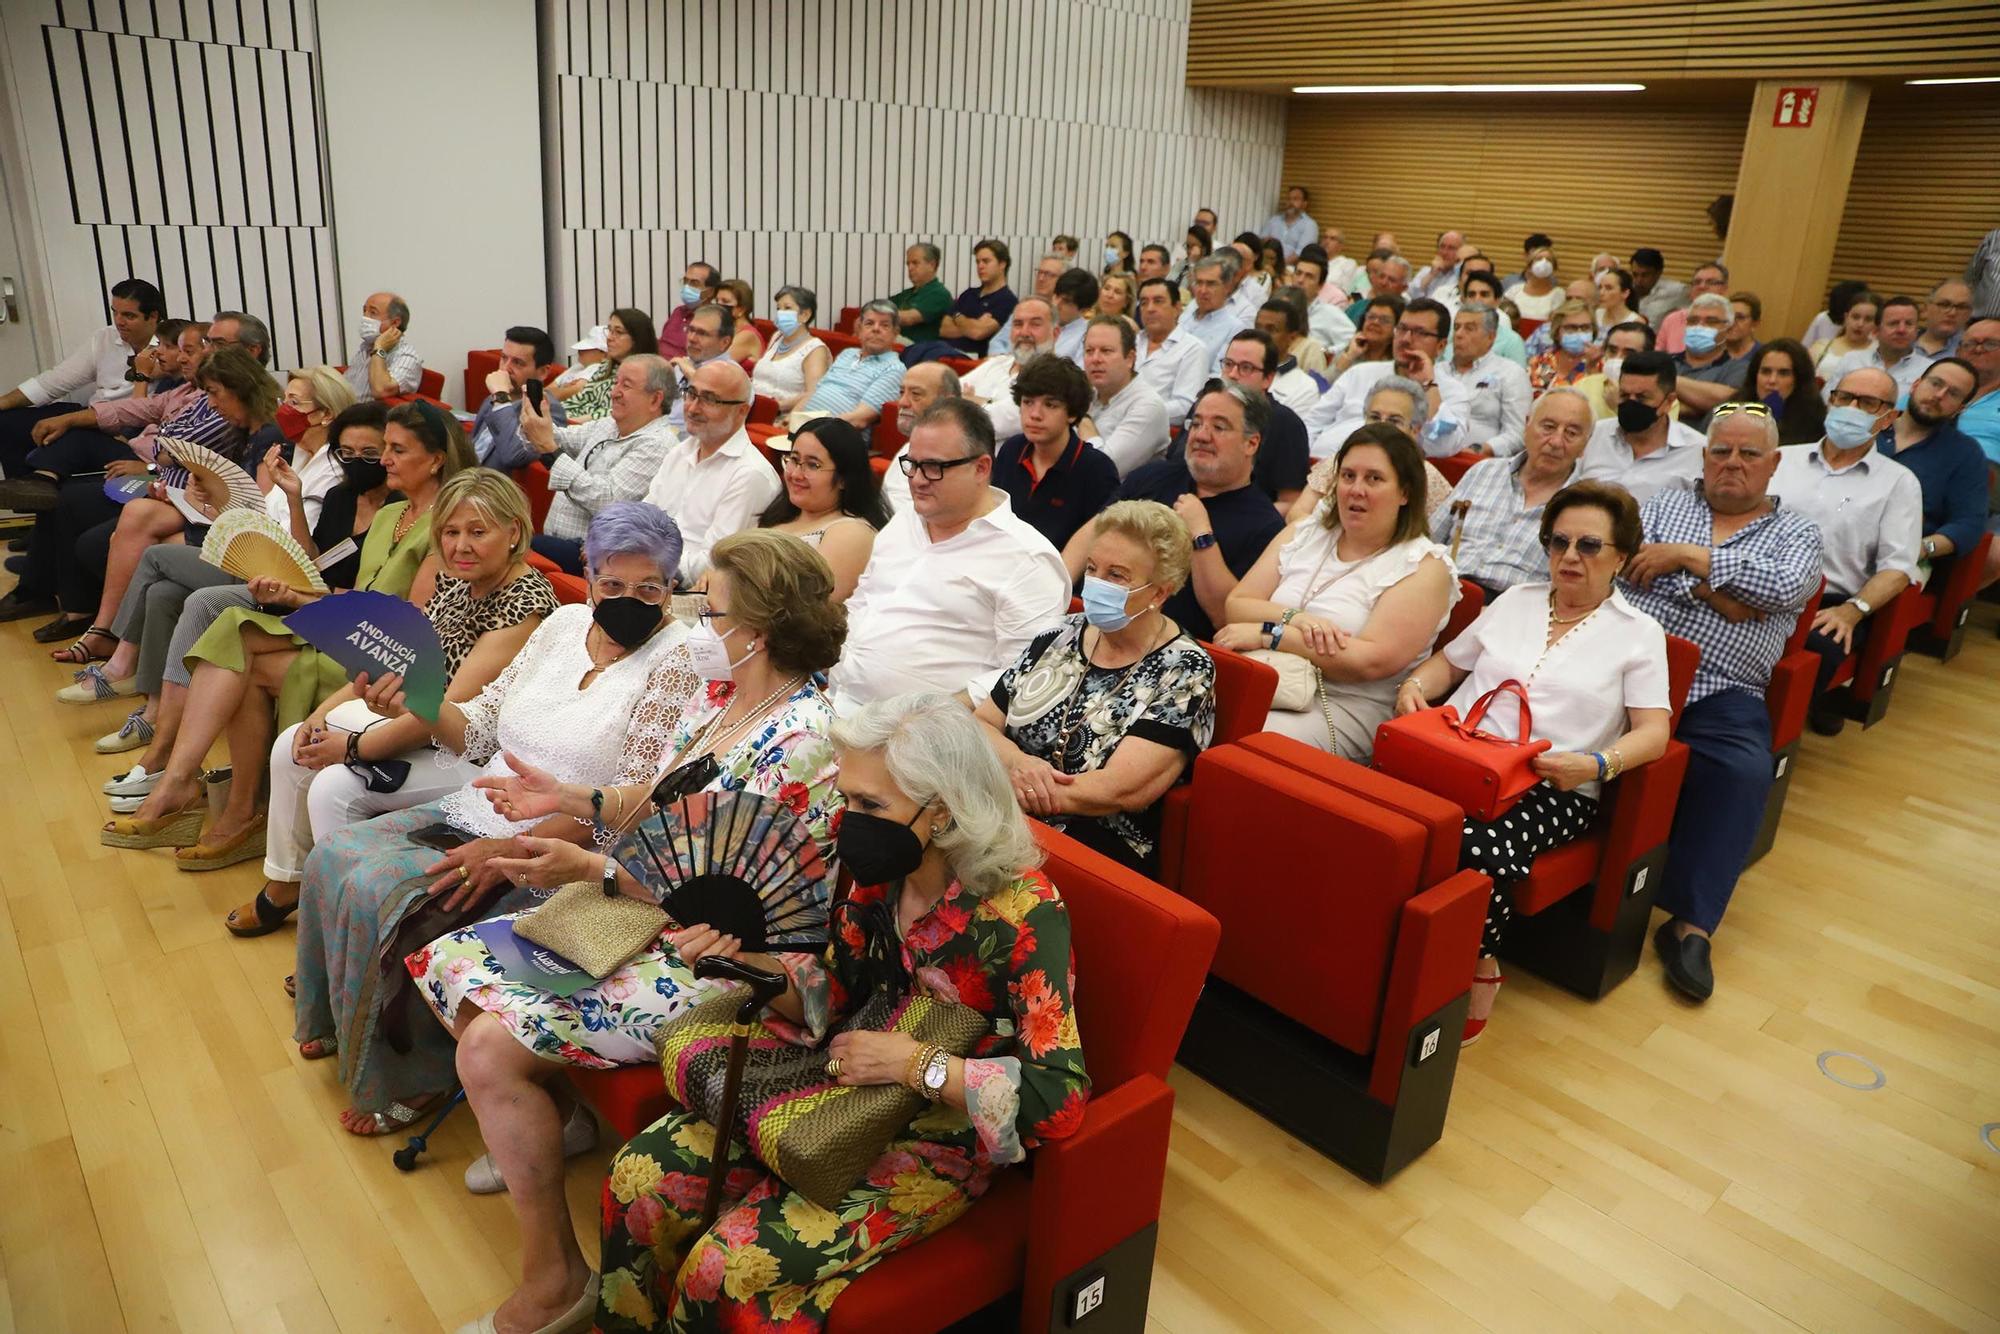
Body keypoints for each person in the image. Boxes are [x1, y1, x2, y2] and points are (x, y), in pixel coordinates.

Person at [411, 530, 847, 1334]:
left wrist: (590, 871)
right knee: (452, 964)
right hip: (658, 913)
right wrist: (568, 799)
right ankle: (555, 1116)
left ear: (755, 627)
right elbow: (663, 798)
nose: (692, 620)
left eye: (706, 606)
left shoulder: (802, 738)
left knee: (485, 1044)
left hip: (731, 959)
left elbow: (726, 893)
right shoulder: (730, 701)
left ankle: (554, 1280)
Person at [591, 691, 1086, 1332]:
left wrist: (920, 1066)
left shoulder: (1023, 913)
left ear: (940, 813)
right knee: (636, 1178)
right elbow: (834, 992)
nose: (848, 822)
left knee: (728, 1266)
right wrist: (752, 965)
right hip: (831, 1081)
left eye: (870, 805)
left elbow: (1061, 1096)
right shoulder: (874, 874)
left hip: (936, 1130)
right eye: (847, 798)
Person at [298, 501, 701, 1138]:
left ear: (672, 587)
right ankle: (339, 1018)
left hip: (560, 848)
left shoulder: (678, 661)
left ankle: (419, 1077)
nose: (629, 598)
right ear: (589, 577)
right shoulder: (565, 625)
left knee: (397, 895)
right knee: (336, 855)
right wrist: (422, 702)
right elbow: (479, 730)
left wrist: (511, 848)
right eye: (612, 583)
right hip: (482, 804)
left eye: (649, 586)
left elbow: (632, 803)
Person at [100, 403, 472, 866]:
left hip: (383, 656)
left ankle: (208, 796)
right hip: (352, 632)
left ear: (436, 459)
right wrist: (296, 597)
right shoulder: (390, 513)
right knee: (233, 636)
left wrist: (303, 603)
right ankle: (208, 795)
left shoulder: (447, 525)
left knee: (236, 642)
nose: (385, 460)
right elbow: (352, 593)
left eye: (397, 450)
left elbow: (406, 630)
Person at [1396, 480, 1671, 1042]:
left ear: (1620, 556)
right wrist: (1413, 689)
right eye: (1559, 542)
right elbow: (1447, 665)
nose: (1570, 557)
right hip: (1461, 758)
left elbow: (1655, 734)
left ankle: (1479, 964)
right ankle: (1386, 947)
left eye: (1589, 546)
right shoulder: (1516, 601)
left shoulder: (1639, 635)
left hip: (1554, 784)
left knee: (1475, 843)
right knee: (1381, 813)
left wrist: (1594, 765)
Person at [231, 469, 557, 937]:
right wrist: (320, 714)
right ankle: (287, 883)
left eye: (478, 532)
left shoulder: (525, 603)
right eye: (450, 532)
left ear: (514, 533)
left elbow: (447, 713)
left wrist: (353, 748)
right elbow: (396, 658)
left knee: (333, 788)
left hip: (474, 753)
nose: (461, 545)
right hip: (417, 724)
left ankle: (345, 933)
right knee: (292, 744)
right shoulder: (456, 580)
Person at [1621, 405, 1820, 1002]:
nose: (1732, 463)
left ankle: (1691, 926)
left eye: (1748, 454)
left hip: (1723, 688)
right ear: (1703, 457)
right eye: (1720, 451)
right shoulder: (1664, 502)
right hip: (1633, 675)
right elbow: (1628, 567)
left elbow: (1786, 587)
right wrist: (1725, 595)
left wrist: (1682, 560)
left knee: (1743, 769)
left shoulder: (1798, 531)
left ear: (1773, 465)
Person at [88, 402, 392, 765]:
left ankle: (157, 733)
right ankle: (157, 718)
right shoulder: (341, 495)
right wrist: (293, 498)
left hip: (323, 606)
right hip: (294, 582)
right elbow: (310, 558)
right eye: (346, 452)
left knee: (188, 589)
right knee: (164, 592)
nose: (355, 460)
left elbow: (369, 591)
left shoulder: (396, 509)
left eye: (368, 453)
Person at [977, 500, 1214, 874]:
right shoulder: (1062, 632)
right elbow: (982, 723)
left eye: (1117, 575)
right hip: (1003, 806)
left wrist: (1017, 792)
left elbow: (1120, 789)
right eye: (1092, 569)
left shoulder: (1185, 669)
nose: (1097, 584)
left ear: (1158, 594)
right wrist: (1018, 765)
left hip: (1096, 840)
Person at [13, 343, 278, 650]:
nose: (212, 402)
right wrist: (190, 493)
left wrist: (193, 495)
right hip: (190, 499)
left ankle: (113, 639)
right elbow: (163, 438)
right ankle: (98, 626)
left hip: (229, 529)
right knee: (90, 503)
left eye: (215, 393)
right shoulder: (233, 422)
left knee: (130, 542)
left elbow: (258, 514)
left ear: (240, 386)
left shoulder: (264, 435)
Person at [1215, 423, 1457, 758]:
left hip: (1339, 704)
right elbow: (1237, 604)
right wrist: (1297, 619)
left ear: (1405, 492)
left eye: (1374, 478)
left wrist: (1268, 634)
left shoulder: (1424, 566)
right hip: (1264, 673)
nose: (1356, 489)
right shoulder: (1305, 531)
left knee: (1244, 731)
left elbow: (1366, 661)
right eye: (1348, 476)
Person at [827, 398, 1068, 709]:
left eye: (933, 467)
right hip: (835, 700)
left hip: (921, 737)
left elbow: (1024, 674)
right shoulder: (904, 521)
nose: (917, 479)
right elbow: (863, 601)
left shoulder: (1027, 559)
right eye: (912, 464)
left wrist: (938, 716)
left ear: (981, 468)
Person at [1771, 369, 1923, 736]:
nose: (1852, 408)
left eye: (1867, 403)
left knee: (1817, 646)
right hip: (1761, 581)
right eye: (1844, 397)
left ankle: (1772, 739)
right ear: (1831, 401)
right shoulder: (1780, 459)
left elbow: (1898, 568)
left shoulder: (1899, 482)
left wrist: (1853, 611)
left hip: (1830, 600)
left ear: (1889, 418)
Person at [1081, 382, 1284, 642]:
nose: (1201, 435)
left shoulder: (1265, 525)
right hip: (1094, 625)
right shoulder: (1151, 476)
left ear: (1251, 443)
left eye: (1218, 427)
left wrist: (1201, 535)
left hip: (1177, 651)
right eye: (1196, 424)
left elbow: (1226, 617)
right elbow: (1093, 533)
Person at [516, 353, 679, 574]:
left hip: (596, 556)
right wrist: (535, 422)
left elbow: (608, 500)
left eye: (626, 386)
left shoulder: (657, 444)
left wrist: (550, 450)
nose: (614, 392)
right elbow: (556, 439)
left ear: (655, 399)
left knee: (516, 546)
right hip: (559, 543)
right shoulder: (608, 425)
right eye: (616, 382)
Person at [1432, 389, 1593, 598]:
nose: (1555, 442)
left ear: (1585, 445)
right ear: (1527, 425)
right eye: (1548, 427)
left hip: (1512, 610)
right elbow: (1430, 537)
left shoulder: (1584, 506)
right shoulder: (1484, 471)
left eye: (1571, 433)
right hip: (1441, 590)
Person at [0, 277, 163, 474]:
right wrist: (3, 402)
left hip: (123, 427)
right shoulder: (105, 337)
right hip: (91, 411)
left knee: (69, 432)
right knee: (8, 422)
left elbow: (145, 409)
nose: (119, 322)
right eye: (115, 313)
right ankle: (23, 494)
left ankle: (41, 487)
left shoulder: (170, 347)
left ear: (153, 316)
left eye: (129, 316)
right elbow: (55, 381)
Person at [642, 359, 780, 584]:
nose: (693, 408)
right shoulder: (680, 451)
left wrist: (642, 564)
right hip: (648, 575)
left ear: (741, 411)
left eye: (709, 400)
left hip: (693, 593)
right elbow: (645, 515)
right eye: (691, 394)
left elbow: (714, 561)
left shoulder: (750, 474)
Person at [1871, 357, 1986, 597]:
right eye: (1935, 383)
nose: (1939, 395)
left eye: (1953, 393)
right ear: (1915, 385)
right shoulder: (1869, 426)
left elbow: (1968, 525)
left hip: (1904, 551)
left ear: (1961, 408)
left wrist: (1922, 548)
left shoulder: (1965, 453)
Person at [1304, 298, 1471, 459]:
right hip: (1319, 464)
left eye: (1420, 333)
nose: (1406, 339)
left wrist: (1428, 384)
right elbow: (1312, 423)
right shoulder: (1360, 373)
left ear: (1441, 346)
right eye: (1402, 328)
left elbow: (1443, 447)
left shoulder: (1452, 391)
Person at [1289, 377, 1455, 530]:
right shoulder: (1339, 462)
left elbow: (1439, 536)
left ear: (1415, 430)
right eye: (1375, 417)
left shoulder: (1428, 477)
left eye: (1394, 421)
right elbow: (1296, 515)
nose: (1381, 426)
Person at [991, 356, 1118, 551]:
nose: (1035, 414)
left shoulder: (1097, 469)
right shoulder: (1011, 450)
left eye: (1050, 405)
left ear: (1072, 413)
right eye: (1028, 402)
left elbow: (1100, 545)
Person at [760, 418, 890, 601]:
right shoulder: (780, 514)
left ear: (844, 478)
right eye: (794, 459)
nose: (796, 474)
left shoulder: (852, 532)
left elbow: (808, 608)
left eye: (813, 465)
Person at [1576, 351, 1706, 501]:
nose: (1631, 403)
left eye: (1642, 397)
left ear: (1669, 402)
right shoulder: (1592, 435)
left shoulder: (1698, 450)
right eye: (1624, 396)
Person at [1213, 330, 1311, 507]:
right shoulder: (1205, 407)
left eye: (1246, 368)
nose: (1233, 374)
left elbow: (1290, 503)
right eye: (1228, 364)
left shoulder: (1285, 424)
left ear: (1268, 378)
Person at [786, 301, 905, 431]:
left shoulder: (894, 369)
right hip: (805, 428)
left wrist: (808, 429)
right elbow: (815, 393)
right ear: (859, 330)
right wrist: (792, 418)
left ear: (895, 333)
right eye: (869, 323)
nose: (876, 329)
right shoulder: (847, 354)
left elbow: (859, 419)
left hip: (837, 435)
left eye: (885, 325)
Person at [1078, 315, 1169, 477]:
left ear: (1130, 359)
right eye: (1089, 351)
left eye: (1106, 351)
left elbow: (1103, 471)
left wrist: (1082, 420)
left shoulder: (1148, 406)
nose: (1095, 359)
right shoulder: (1086, 393)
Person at [468, 326, 567, 471]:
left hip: (496, 490)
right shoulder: (494, 398)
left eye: (517, 363)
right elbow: (473, 447)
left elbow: (513, 455)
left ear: (543, 372)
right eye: (504, 358)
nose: (505, 368)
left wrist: (501, 397)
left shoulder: (548, 411)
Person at [962, 296, 1056, 441]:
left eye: (1035, 324)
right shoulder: (998, 363)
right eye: (1018, 324)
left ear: (1055, 334)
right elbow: (946, 391)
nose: (1024, 332)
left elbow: (997, 424)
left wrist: (969, 399)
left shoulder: (1054, 378)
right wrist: (985, 403)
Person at [1444, 303, 1532, 455]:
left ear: (1491, 337)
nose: (1458, 334)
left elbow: (1518, 434)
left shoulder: (1510, 373)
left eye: (1469, 328)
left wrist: (1479, 449)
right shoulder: (1441, 371)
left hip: (1480, 463)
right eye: (1457, 327)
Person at [877, 360, 961, 514]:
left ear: (947, 402)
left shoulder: (958, 460)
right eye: (902, 392)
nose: (902, 402)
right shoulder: (910, 445)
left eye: (916, 394)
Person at [558, 308, 658, 423]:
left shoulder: (647, 374)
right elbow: (580, 399)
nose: (610, 338)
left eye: (619, 332)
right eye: (610, 330)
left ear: (637, 338)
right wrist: (556, 415)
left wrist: (570, 422)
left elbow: (619, 413)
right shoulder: (606, 367)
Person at [1821, 295, 1925, 404]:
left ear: (1916, 330)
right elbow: (1827, 401)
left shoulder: (1927, 370)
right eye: (1893, 323)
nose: (1901, 330)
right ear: (1877, 330)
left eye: (1908, 324)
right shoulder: (1851, 359)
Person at [1133, 278, 1209, 420]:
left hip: (1157, 430)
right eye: (1144, 303)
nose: (1150, 309)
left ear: (1177, 308)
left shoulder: (1192, 349)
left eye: (1158, 301)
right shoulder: (1131, 342)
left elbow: (1186, 406)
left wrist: (1137, 412)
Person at [749, 286, 832, 414]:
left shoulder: (815, 349)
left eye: (787, 308)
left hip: (781, 415)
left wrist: (773, 407)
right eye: (778, 308)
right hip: (752, 407)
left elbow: (813, 393)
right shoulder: (777, 337)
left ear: (805, 315)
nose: (780, 313)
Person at [931, 239, 1017, 360]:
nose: (980, 266)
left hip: (971, 361)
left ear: (1002, 264)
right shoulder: (968, 294)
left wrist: (957, 317)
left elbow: (977, 333)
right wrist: (970, 325)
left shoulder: (1007, 300)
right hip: (942, 352)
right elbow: (944, 329)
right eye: (978, 262)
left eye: (986, 261)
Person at [1729, 339, 1827, 446]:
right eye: (1766, 372)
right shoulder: (1733, 406)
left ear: (1799, 379)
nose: (1772, 380)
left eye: (1783, 373)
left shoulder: (1814, 420)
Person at [664, 303, 736, 431]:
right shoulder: (683, 364)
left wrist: (692, 375)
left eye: (702, 333)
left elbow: (718, 424)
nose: (691, 338)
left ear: (724, 342)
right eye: (691, 330)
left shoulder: (734, 376)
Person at [343, 291, 423, 402]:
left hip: (366, 417)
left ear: (395, 323)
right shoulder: (366, 347)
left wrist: (379, 349)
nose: (365, 317)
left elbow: (380, 390)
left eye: (373, 312)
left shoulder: (407, 356)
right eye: (364, 311)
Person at [1576, 320, 1657, 420]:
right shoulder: (1583, 386)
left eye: (1629, 353)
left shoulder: (1659, 395)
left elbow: (1657, 434)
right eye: (1612, 351)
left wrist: (1619, 407)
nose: (1617, 358)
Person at [1177, 254, 1246, 365]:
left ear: (1227, 287)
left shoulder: (1235, 329)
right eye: (1199, 283)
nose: (1203, 290)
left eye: (1211, 284)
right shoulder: (1185, 316)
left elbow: (1219, 374)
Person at [1255, 294, 1329, 390]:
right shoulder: (1237, 370)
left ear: (1292, 338)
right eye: (1257, 327)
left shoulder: (1305, 387)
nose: (1261, 335)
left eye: (1271, 330)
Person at [1655, 262, 1729, 356]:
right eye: (1697, 282)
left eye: (1711, 282)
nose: (1702, 286)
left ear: (1724, 289)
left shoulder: (1730, 320)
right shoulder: (1673, 319)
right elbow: (1657, 357)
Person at [1289, 250, 1358, 352]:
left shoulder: (1329, 313)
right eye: (1298, 273)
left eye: (1309, 276)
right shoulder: (1277, 306)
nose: (1300, 280)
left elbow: (1354, 342)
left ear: (1320, 286)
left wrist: (1324, 352)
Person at [1527, 300, 1601, 392]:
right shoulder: (1540, 363)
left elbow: (1600, 401)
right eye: (1571, 328)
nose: (1579, 333)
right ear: (1557, 332)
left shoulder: (1601, 364)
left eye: (1585, 328)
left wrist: (1592, 368)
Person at [891, 242, 953, 345]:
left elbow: (909, 318)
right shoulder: (905, 294)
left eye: (915, 263)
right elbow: (882, 307)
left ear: (932, 265)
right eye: (908, 264)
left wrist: (874, 317)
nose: (910, 268)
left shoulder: (939, 294)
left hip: (921, 351)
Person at [656, 260, 718, 361]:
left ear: (710, 292)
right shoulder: (678, 312)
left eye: (694, 283)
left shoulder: (713, 320)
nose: (687, 287)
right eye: (685, 281)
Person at [1329, 293, 1401, 380]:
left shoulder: (1397, 366)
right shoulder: (1350, 350)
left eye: (1384, 320)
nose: (1375, 322)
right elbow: (1322, 386)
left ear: (1397, 328)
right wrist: (1349, 357)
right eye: (1371, 317)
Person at [1810, 288, 1879, 375]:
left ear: (1876, 325)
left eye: (1868, 319)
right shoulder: (1821, 347)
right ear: (1846, 318)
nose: (1860, 324)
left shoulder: (1880, 353)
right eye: (1855, 317)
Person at [1915, 278, 1974, 361]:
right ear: (1925, 309)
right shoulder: (1903, 342)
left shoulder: (1973, 351)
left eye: (1961, 307)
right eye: (1944, 305)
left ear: (1969, 314)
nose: (1952, 313)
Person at [1051, 268, 1100, 366]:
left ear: (1084, 310)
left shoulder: (1087, 337)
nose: (1056, 304)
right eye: (1056, 296)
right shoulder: (1041, 324)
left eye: (1066, 301)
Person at [1503, 246, 1563, 325]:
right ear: (1529, 266)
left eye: (1549, 260)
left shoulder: (1559, 294)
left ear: (1553, 268)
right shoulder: (1514, 290)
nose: (1544, 262)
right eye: (1539, 259)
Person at [1631, 248, 1690, 326]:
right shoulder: (1627, 290)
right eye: (1635, 275)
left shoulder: (1678, 291)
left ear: (1658, 272)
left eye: (1645, 275)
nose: (1638, 280)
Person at [713, 278, 765, 362]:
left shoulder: (747, 335)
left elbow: (718, 363)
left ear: (741, 309)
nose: (719, 305)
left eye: (725, 301)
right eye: (717, 301)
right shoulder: (725, 329)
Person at [1263, 185, 1318, 261]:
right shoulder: (1274, 220)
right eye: (1288, 199)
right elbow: (1262, 241)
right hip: (1268, 263)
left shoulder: (1309, 225)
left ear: (1304, 204)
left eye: (1295, 199)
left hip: (1292, 268)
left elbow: (1302, 253)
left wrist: (1280, 266)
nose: (1291, 202)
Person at [1411, 231, 1465, 301]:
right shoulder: (1426, 271)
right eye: (1442, 247)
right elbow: (1412, 295)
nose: (1444, 252)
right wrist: (1431, 274)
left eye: (1451, 248)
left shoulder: (1461, 276)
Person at [552, 325, 608, 389]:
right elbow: (547, 390)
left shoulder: (598, 370)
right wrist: (563, 388)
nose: (580, 350)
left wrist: (560, 389)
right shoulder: (578, 366)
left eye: (587, 348)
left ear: (604, 353)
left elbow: (572, 391)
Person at [1595, 268, 1641, 334]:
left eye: (1608, 288)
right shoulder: (1596, 315)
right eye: (1600, 287)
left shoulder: (1635, 322)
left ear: (1625, 293)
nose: (1601, 293)